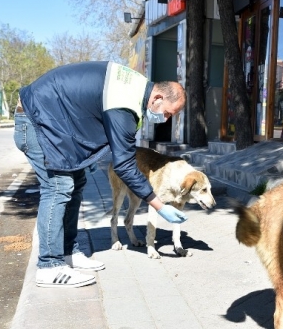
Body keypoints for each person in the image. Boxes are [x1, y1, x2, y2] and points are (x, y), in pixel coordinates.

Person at [14, 61, 188, 288]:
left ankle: (67, 252)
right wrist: (159, 205)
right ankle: (49, 266)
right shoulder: (126, 105)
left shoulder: (135, 90)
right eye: (167, 113)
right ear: (157, 98)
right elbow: (124, 165)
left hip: (53, 122)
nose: (165, 119)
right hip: (37, 121)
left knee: (76, 182)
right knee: (58, 188)